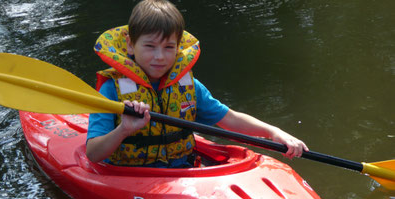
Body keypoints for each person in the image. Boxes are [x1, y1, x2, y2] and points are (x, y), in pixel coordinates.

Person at [86, 0, 308, 167]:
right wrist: (124, 130)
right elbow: (93, 154)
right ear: (130, 45)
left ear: (178, 47)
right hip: (129, 175)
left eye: (169, 47)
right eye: (150, 46)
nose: (160, 57)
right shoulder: (111, 90)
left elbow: (229, 119)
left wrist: (273, 131)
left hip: (184, 172)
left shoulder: (188, 86)